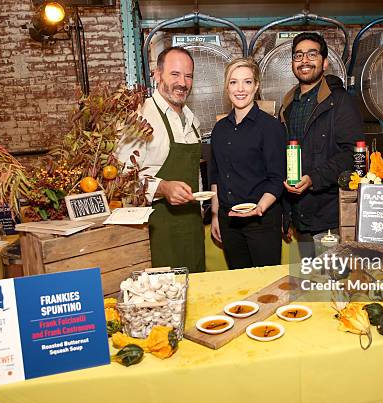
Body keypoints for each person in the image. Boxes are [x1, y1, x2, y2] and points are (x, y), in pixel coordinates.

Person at [116, 47, 205, 272]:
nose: (182, 83)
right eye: (175, 74)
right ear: (157, 75)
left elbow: (194, 174)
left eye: (188, 76)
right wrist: (163, 187)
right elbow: (122, 178)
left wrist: (202, 205)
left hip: (192, 227)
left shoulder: (192, 120)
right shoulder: (140, 117)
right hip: (157, 228)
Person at [279, 32, 363, 258]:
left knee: (335, 283)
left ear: (325, 62)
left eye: (312, 54)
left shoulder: (340, 101)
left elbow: (354, 155)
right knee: (313, 284)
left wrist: (314, 178)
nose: (304, 60)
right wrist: (286, 213)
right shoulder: (287, 106)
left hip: (331, 217)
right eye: (298, 55)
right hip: (301, 218)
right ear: (292, 64)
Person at [209, 58, 286, 269]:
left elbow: (277, 178)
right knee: (238, 283)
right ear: (227, 87)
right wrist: (216, 215)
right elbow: (215, 176)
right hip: (229, 222)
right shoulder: (219, 129)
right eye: (233, 82)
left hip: (260, 222)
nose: (240, 89)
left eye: (247, 82)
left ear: (257, 86)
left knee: (265, 287)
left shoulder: (270, 127)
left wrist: (259, 208)